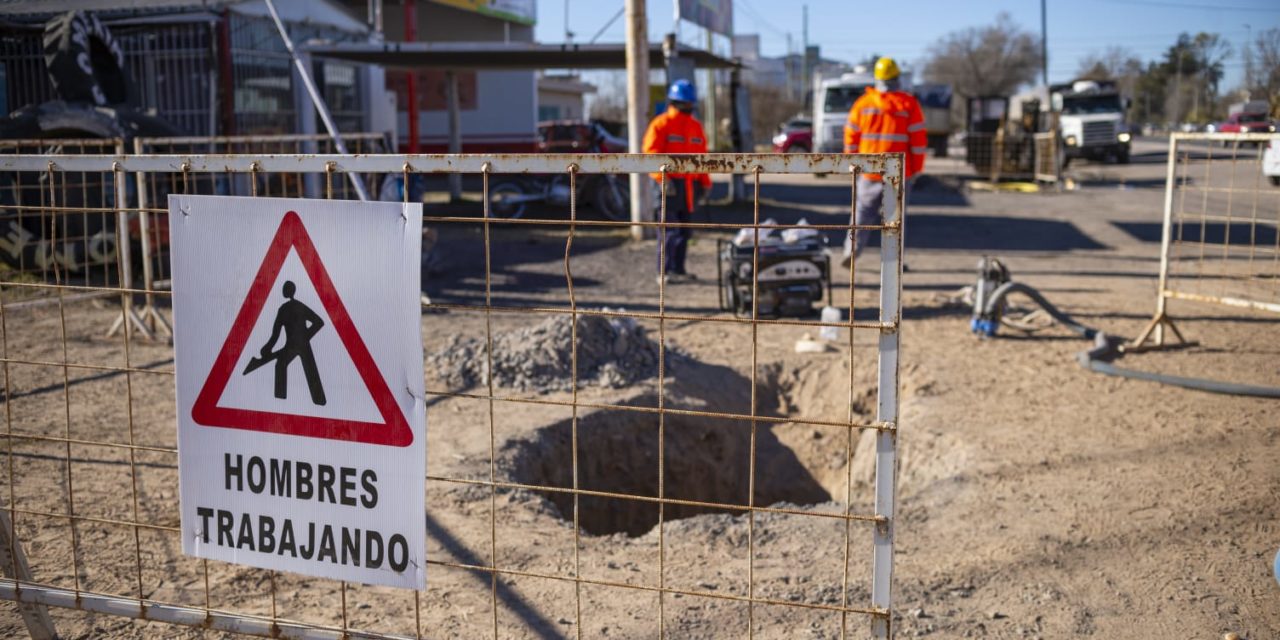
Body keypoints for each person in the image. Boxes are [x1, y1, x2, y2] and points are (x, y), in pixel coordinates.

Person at [841, 56, 927, 266]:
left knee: (861, 212)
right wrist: (915, 169)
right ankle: (893, 260)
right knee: (894, 220)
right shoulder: (908, 104)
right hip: (898, 173)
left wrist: (852, 164)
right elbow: (918, 142)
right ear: (897, 78)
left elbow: (851, 136)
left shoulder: (863, 104)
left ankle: (851, 251)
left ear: (876, 78)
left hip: (868, 171)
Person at [643, 79, 712, 284]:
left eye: (690, 104)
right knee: (669, 231)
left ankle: (679, 270)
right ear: (675, 102)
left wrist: (705, 182)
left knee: (684, 231)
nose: (688, 107)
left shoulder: (695, 127)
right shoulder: (661, 124)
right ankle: (663, 272)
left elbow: (702, 157)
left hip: (690, 186)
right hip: (668, 185)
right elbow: (650, 155)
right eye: (685, 104)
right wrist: (662, 178)